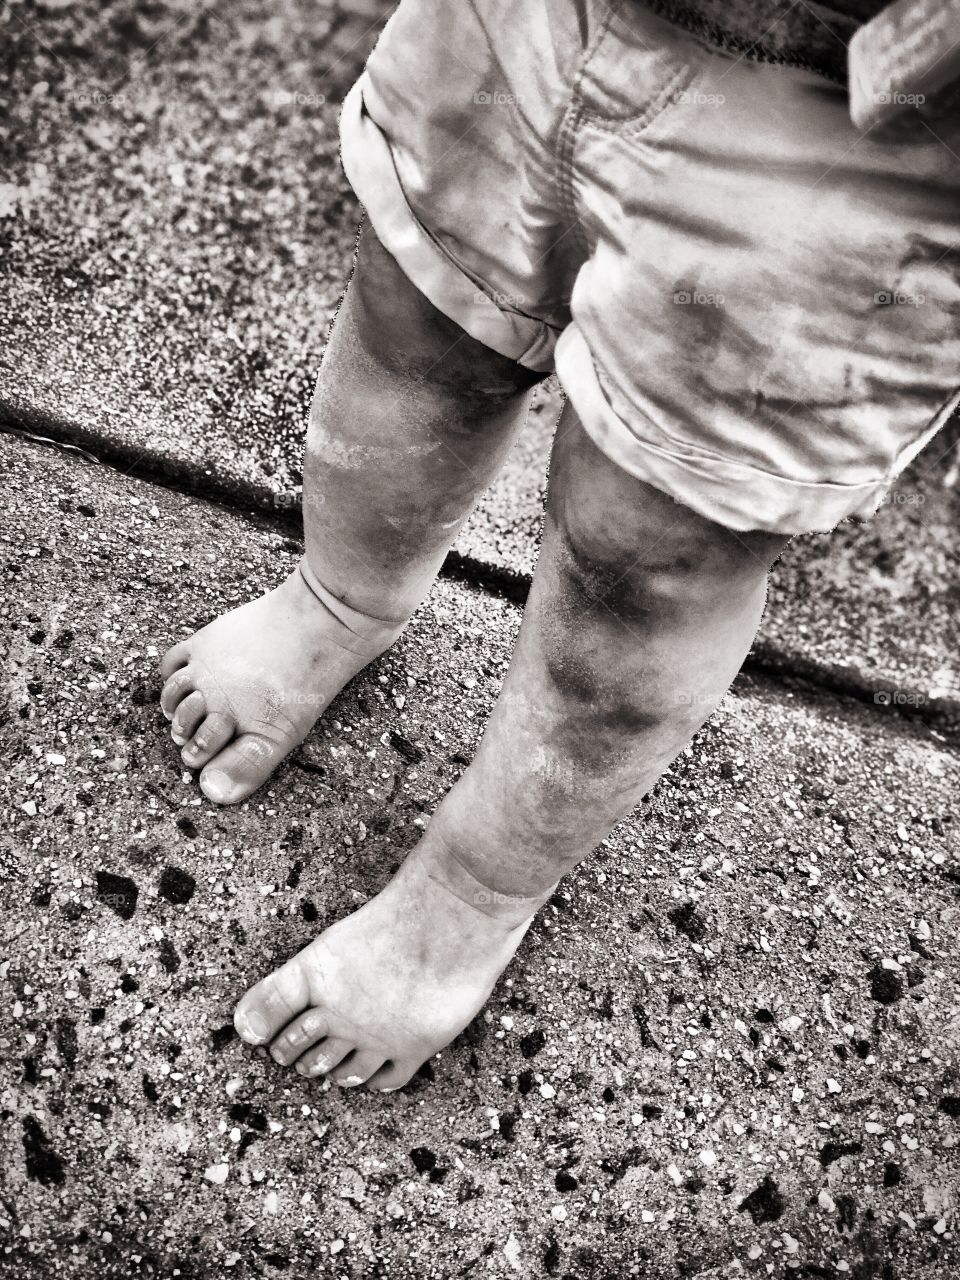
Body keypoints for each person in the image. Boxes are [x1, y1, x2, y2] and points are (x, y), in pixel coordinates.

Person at [158, 0, 960, 1091]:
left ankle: (478, 886)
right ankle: (341, 596)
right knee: (421, 307)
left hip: (868, 137)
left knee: (652, 555)